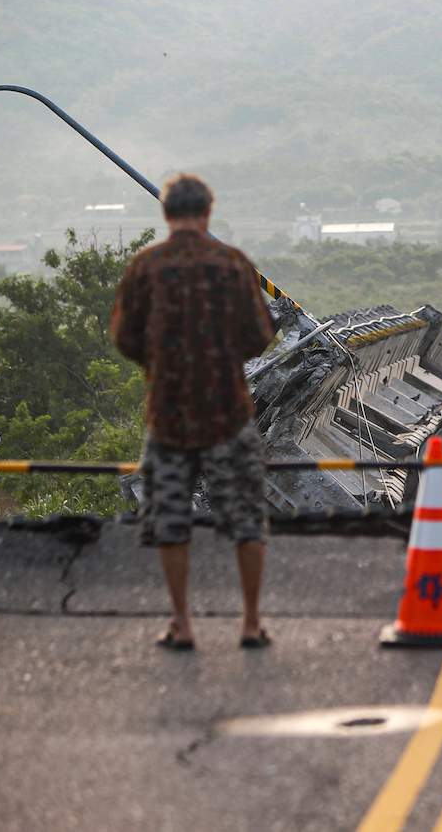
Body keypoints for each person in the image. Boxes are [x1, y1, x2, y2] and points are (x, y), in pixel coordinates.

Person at [110, 173, 277, 651]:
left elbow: (123, 336)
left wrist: (160, 362)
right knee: (246, 518)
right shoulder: (232, 263)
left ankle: (182, 623)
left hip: (168, 416)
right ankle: (249, 622)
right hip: (228, 414)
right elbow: (261, 334)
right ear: (208, 212)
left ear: (166, 214)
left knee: (170, 520)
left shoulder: (147, 266)